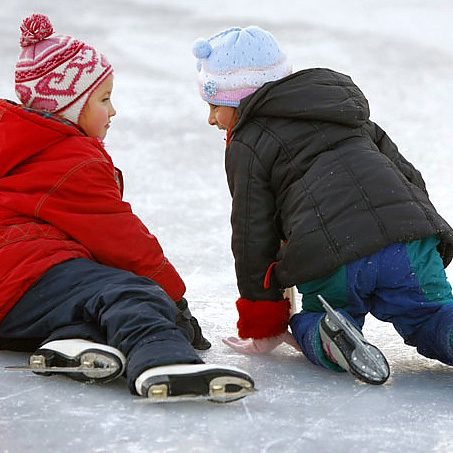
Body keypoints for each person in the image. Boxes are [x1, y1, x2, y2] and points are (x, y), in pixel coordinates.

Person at [0, 13, 255, 403]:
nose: (113, 111)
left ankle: (70, 346)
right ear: (67, 107)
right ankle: (166, 360)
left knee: (89, 295)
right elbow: (122, 239)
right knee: (129, 293)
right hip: (23, 276)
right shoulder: (71, 159)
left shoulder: (21, 145)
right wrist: (172, 298)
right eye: (103, 99)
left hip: (16, 295)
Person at [192, 25, 453, 384]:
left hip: (329, 257)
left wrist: (264, 322)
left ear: (240, 99)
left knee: (319, 318)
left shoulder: (248, 142)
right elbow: (410, 178)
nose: (211, 119)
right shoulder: (347, 113)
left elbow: (254, 234)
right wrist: (430, 240)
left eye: (215, 106)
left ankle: (331, 335)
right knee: (433, 317)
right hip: (407, 242)